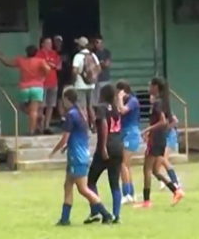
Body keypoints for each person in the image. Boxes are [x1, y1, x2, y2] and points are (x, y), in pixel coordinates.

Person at [49, 88, 113, 225]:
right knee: (68, 185)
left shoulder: (71, 115)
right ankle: (64, 219)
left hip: (77, 157)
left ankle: (106, 214)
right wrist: (68, 146)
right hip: (79, 154)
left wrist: (54, 151)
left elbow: (64, 138)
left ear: (67, 99)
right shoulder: (80, 113)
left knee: (83, 189)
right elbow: (80, 136)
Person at [135, 78, 185, 209]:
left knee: (147, 169)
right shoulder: (164, 102)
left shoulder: (158, 103)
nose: (148, 87)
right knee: (156, 171)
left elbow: (163, 122)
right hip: (160, 139)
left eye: (150, 85)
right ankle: (176, 190)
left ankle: (146, 201)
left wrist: (148, 130)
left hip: (156, 140)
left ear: (155, 87)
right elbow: (170, 121)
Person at [84, 84, 123, 224]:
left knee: (91, 181)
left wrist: (103, 147)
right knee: (115, 184)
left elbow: (104, 126)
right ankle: (117, 215)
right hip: (118, 147)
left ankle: (96, 211)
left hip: (107, 147)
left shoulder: (101, 107)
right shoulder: (117, 109)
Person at [0, 46, 50, 136]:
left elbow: (8, 63)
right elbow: (48, 69)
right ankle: (33, 128)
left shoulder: (21, 60)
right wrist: (43, 77)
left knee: (22, 107)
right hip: (37, 87)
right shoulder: (40, 61)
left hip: (24, 87)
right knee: (34, 111)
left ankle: (36, 119)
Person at [115, 80, 141, 204]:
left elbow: (123, 110)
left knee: (123, 164)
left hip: (131, 134)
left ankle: (126, 193)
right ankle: (131, 193)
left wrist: (119, 98)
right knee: (126, 165)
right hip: (125, 133)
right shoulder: (125, 100)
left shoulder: (133, 101)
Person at [70, 37, 100, 130]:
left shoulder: (77, 56)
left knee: (82, 107)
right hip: (91, 85)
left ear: (79, 46)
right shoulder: (93, 55)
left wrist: (74, 80)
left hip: (80, 85)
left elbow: (74, 71)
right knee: (90, 106)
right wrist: (93, 78)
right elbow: (99, 69)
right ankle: (94, 125)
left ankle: (85, 126)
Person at [36, 36, 62, 132]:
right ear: (42, 44)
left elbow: (59, 66)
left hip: (53, 82)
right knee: (41, 106)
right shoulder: (38, 54)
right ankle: (40, 127)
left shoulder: (54, 54)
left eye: (50, 43)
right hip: (42, 83)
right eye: (47, 43)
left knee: (50, 105)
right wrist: (50, 65)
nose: (50, 45)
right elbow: (38, 66)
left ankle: (47, 126)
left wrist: (52, 65)